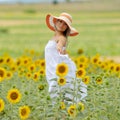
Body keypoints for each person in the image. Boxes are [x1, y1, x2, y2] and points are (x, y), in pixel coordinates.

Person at [45, 12, 87, 104]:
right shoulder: (54, 37)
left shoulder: (62, 38)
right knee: (58, 96)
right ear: (56, 22)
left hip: (58, 71)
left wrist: (59, 48)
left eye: (65, 24)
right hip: (51, 70)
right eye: (60, 21)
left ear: (67, 28)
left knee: (59, 96)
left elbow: (60, 45)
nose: (62, 24)